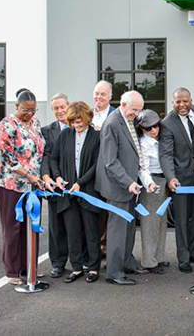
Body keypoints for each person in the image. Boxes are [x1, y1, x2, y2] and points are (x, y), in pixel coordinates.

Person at [0, 88, 45, 286]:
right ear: (16, 106)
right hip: (10, 184)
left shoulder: (35, 124)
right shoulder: (6, 125)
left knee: (30, 226)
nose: (30, 114)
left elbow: (39, 152)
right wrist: (29, 176)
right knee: (13, 226)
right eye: (26, 110)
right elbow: (8, 159)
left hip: (32, 185)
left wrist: (38, 177)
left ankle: (29, 266)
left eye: (33, 110)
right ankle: (12, 270)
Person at [95, 91, 148, 285]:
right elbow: (110, 161)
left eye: (139, 109)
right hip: (119, 186)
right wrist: (129, 182)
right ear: (124, 104)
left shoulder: (127, 119)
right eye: (135, 109)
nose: (137, 113)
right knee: (117, 229)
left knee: (129, 227)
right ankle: (114, 272)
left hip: (129, 185)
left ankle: (127, 262)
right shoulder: (112, 124)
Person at [50, 101, 102, 283]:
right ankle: (77, 267)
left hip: (87, 191)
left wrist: (80, 183)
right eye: (74, 121)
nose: (77, 125)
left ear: (88, 119)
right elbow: (53, 158)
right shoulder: (65, 135)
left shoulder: (96, 137)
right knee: (72, 232)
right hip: (68, 193)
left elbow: (97, 164)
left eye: (80, 121)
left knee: (91, 231)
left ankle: (94, 268)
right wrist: (57, 177)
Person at [159, 88, 194, 273]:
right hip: (181, 179)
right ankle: (183, 257)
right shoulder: (167, 123)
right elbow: (166, 154)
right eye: (178, 102)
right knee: (183, 220)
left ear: (191, 100)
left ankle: (193, 251)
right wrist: (171, 178)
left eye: (185, 101)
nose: (182, 105)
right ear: (173, 103)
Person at [40, 93, 70, 278]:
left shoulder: (79, 126)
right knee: (56, 227)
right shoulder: (46, 131)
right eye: (56, 108)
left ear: (69, 106)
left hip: (75, 187)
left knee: (77, 226)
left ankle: (80, 260)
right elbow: (46, 155)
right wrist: (45, 176)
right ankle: (58, 263)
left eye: (62, 107)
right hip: (54, 188)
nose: (59, 111)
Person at [135, 109, 168, 274]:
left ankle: (159, 257)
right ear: (141, 129)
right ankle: (149, 261)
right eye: (148, 128)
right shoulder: (143, 144)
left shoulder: (162, 138)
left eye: (155, 126)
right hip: (152, 182)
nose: (153, 130)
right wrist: (150, 185)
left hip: (165, 180)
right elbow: (143, 169)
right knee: (150, 223)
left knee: (162, 221)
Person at [91, 80, 115, 259]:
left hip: (111, 174)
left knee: (110, 215)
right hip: (89, 174)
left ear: (110, 97)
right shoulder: (86, 115)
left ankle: (108, 250)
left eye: (103, 94)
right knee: (93, 214)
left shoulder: (116, 116)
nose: (99, 97)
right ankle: (94, 251)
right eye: (96, 93)